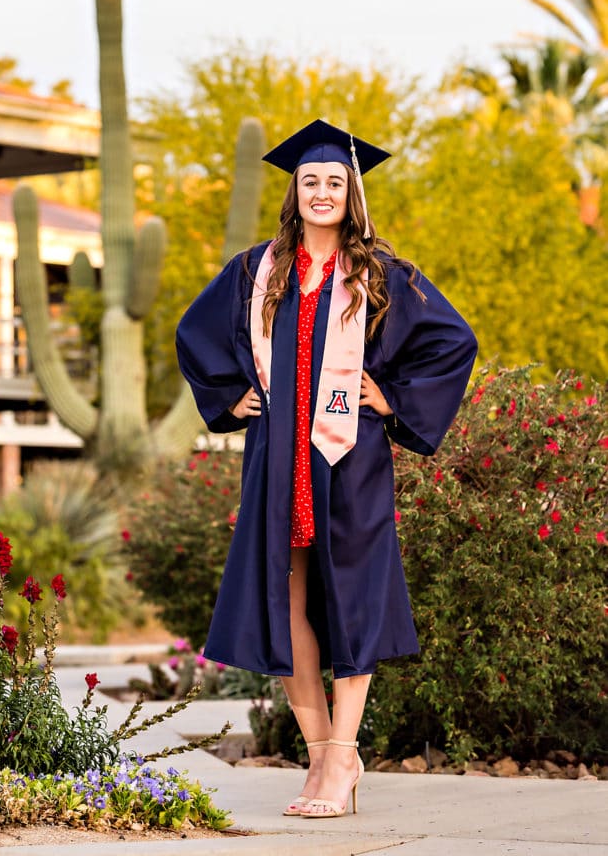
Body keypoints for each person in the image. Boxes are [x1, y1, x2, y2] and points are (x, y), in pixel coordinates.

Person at [176, 118, 478, 819]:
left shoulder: (379, 274)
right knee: (283, 599)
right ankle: (323, 759)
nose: (320, 192)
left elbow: (451, 342)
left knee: (353, 598)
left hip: (351, 457)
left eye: (333, 182)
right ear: (293, 191)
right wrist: (230, 397)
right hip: (278, 453)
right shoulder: (256, 272)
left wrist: (390, 398)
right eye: (309, 181)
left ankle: (341, 757)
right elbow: (194, 334)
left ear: (351, 194)